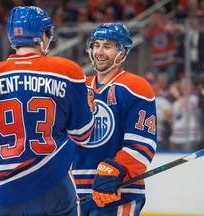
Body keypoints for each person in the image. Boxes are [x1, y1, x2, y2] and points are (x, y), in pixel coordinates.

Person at [0, 6, 95, 216]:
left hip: (4, 193)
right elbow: (83, 135)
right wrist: (89, 108)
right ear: (43, 36)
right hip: (56, 188)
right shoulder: (68, 71)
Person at [71, 23, 157, 216]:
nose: (99, 52)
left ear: (122, 52)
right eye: (96, 45)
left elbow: (143, 143)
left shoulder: (134, 86)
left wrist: (116, 169)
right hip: (76, 194)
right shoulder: (79, 87)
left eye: (107, 46)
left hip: (118, 191)